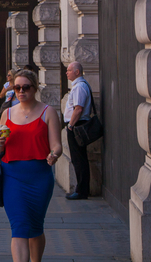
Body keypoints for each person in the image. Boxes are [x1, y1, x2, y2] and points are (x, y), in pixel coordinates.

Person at [0, 69, 63, 262]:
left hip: (40, 176)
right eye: (17, 87)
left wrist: (54, 154)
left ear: (34, 88)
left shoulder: (47, 112)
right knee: (19, 226)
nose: (21, 91)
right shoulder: (6, 113)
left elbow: (57, 144)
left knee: (35, 226)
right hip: (12, 176)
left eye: (25, 87)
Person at [63, 61, 92, 200]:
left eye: (69, 70)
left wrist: (70, 126)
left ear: (77, 72)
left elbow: (78, 109)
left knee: (79, 159)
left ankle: (81, 191)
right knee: (78, 158)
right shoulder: (78, 86)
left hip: (77, 125)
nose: (66, 72)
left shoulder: (79, 87)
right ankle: (81, 189)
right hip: (76, 124)